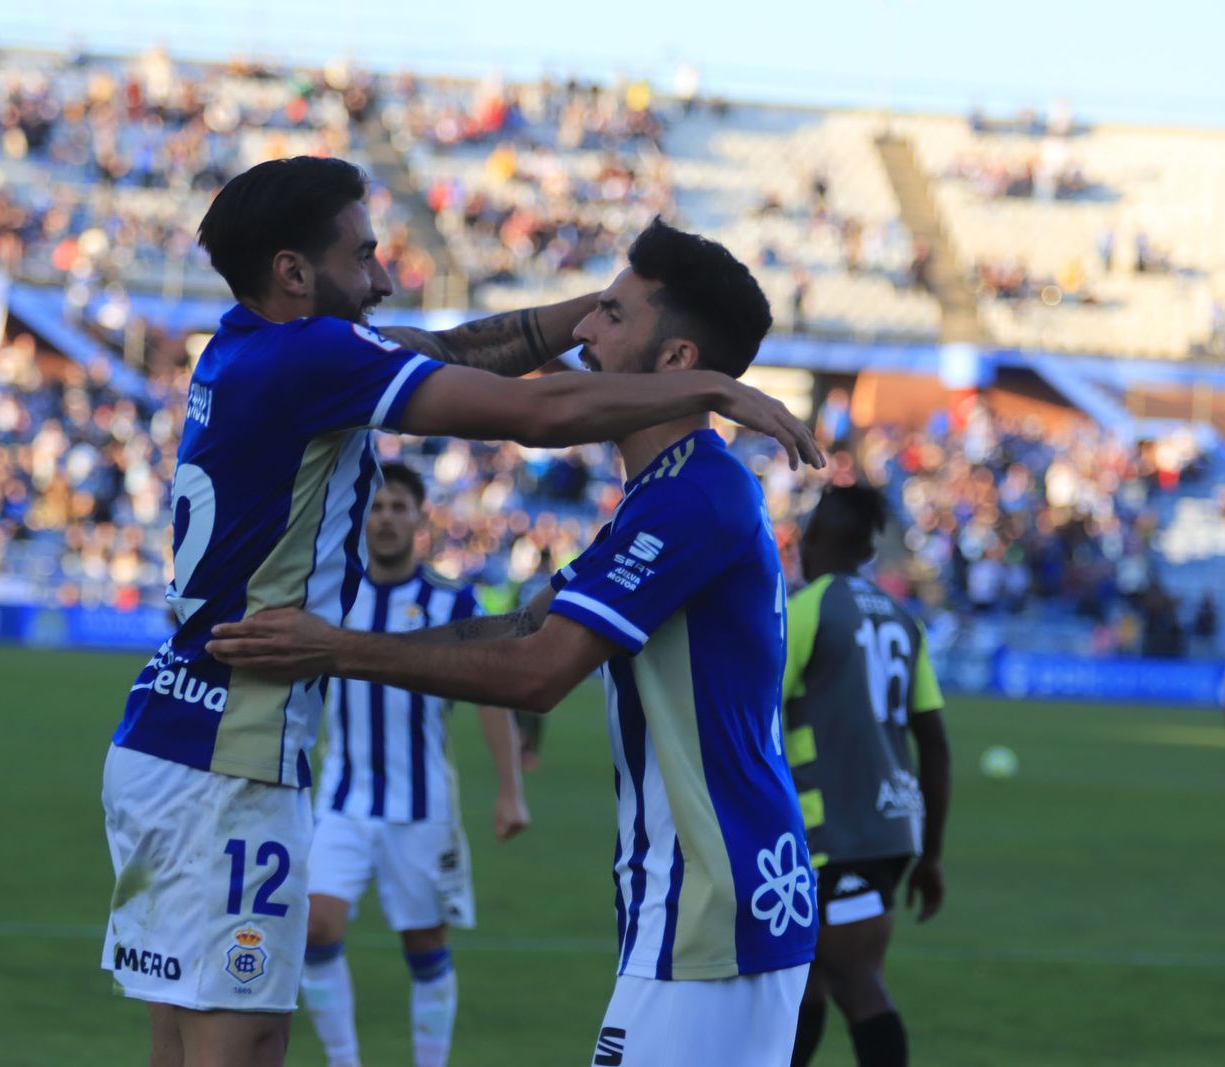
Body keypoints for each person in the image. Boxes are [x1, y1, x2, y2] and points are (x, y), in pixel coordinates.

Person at [99, 159, 821, 1067]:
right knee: (236, 1051)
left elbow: (479, 352)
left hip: (177, 733)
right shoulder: (318, 356)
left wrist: (343, 647)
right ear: (293, 272)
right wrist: (710, 387)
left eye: (612, 311)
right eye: (365, 257)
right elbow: (535, 407)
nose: (386, 278)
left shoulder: (253, 348)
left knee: (195, 1041)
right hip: (229, 749)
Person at [302, 463, 529, 1067]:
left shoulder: (450, 602)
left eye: (398, 508)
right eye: (376, 508)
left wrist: (510, 791)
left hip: (421, 805)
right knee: (315, 928)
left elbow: (489, 694)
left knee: (425, 945)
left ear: (419, 520)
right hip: (341, 799)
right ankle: (344, 1060)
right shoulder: (331, 595)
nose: (385, 519)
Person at [781, 484, 951, 1067]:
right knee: (804, 982)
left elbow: (754, 713)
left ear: (816, 540)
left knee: (854, 982)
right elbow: (935, 743)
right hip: (888, 830)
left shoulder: (807, 609)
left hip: (834, 835)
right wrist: (929, 854)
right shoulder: (902, 620)